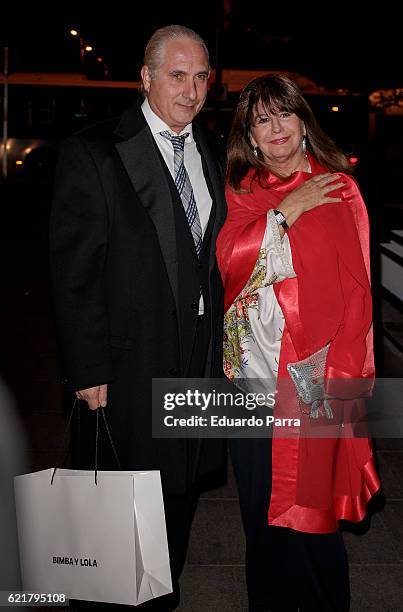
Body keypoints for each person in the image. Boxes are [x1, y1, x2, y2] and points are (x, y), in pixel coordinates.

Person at [49, 25, 226, 611]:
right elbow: (74, 273)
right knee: (121, 511)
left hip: (196, 362)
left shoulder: (209, 148)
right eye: (177, 75)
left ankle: (162, 596)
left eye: (202, 76)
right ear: (145, 78)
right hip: (128, 364)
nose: (192, 90)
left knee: (177, 499)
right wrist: (87, 368)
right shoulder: (96, 151)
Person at [216, 75, 381, 612]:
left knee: (312, 515)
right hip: (250, 379)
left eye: (284, 114)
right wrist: (287, 210)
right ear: (252, 138)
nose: (276, 128)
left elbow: (359, 295)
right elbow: (229, 264)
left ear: (303, 121)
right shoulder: (242, 189)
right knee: (260, 512)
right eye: (262, 120)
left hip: (316, 377)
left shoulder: (339, 187)